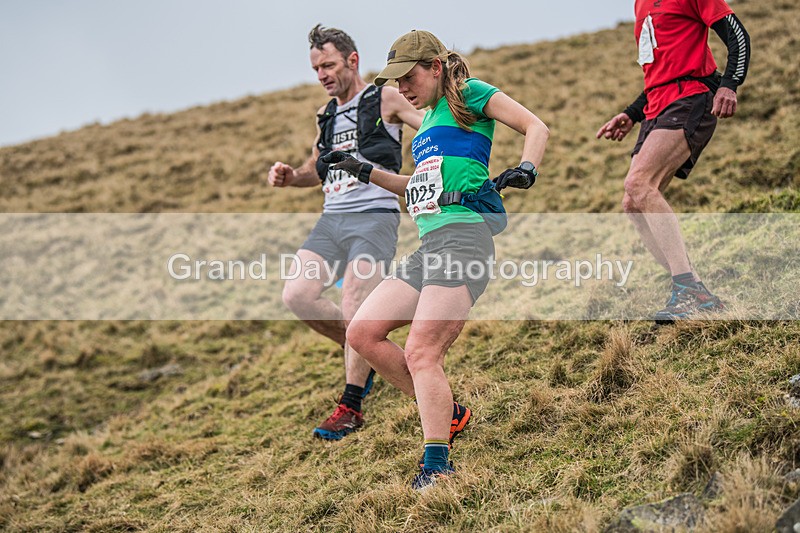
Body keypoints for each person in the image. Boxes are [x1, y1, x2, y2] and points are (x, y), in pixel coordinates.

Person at [322, 30, 549, 489]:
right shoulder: (425, 124)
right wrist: (365, 171)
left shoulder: (470, 94)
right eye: (396, 81)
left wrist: (528, 167)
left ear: (435, 67)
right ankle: (448, 413)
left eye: (409, 77)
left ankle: (437, 465)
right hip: (429, 247)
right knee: (362, 333)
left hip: (464, 241)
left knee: (422, 352)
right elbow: (417, 188)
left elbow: (536, 126)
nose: (402, 88)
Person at [267, 25, 423, 440]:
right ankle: (363, 349)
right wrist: (290, 177)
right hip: (331, 220)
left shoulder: (383, 98)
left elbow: (430, 125)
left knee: (354, 301)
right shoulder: (326, 115)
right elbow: (314, 169)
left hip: (374, 217)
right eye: (316, 69)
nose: (322, 75)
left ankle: (351, 407)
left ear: (353, 60)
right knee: (297, 295)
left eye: (329, 65)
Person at [596, 0, 750, 323]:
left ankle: (688, 289)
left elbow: (737, 35)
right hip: (656, 107)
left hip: (691, 97)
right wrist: (631, 114)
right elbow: (661, 70)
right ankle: (694, 290)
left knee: (639, 183)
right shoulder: (640, 4)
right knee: (632, 203)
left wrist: (729, 84)